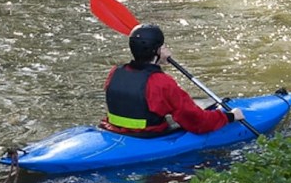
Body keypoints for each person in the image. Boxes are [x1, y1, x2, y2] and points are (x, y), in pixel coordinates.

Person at [102, 23, 246, 136]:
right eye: (163, 46)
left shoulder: (115, 72)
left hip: (112, 130)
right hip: (147, 136)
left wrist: (158, 58)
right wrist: (228, 117)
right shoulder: (160, 82)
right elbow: (197, 122)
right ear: (157, 50)